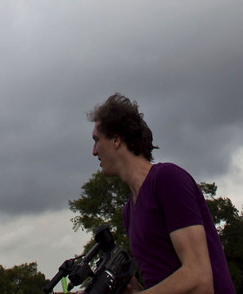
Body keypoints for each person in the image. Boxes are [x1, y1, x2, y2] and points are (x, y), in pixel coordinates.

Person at [88, 93, 235, 294]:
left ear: (116, 139)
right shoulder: (129, 212)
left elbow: (199, 278)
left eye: (97, 140)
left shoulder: (167, 179)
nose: (94, 151)